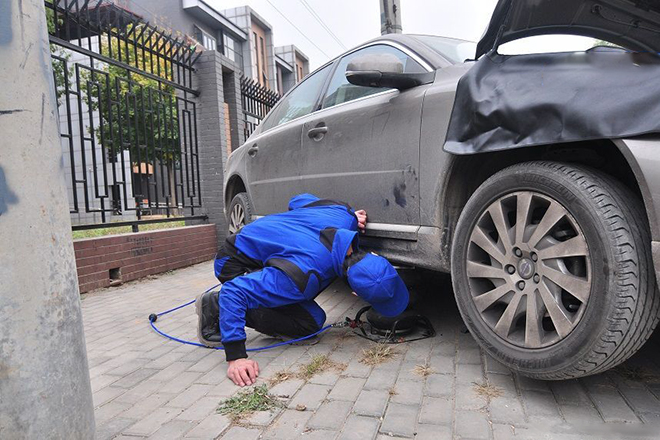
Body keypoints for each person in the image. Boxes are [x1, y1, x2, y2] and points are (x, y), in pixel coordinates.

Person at [196, 194, 409, 387]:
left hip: (260, 242)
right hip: (233, 262)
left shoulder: (344, 213)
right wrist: (236, 356)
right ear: (355, 294)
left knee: (315, 319)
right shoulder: (303, 278)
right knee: (304, 324)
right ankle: (214, 305)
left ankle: (246, 294)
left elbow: (298, 200)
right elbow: (235, 290)